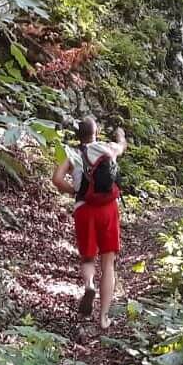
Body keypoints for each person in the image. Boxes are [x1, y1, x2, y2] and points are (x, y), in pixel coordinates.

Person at [52, 117, 127, 330]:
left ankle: (89, 285)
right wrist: (121, 135)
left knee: (87, 257)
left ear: (78, 135)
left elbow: (56, 179)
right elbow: (121, 147)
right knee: (108, 264)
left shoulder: (71, 154)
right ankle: (103, 318)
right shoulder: (105, 148)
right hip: (108, 210)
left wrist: (74, 191)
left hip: (84, 210)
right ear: (97, 132)